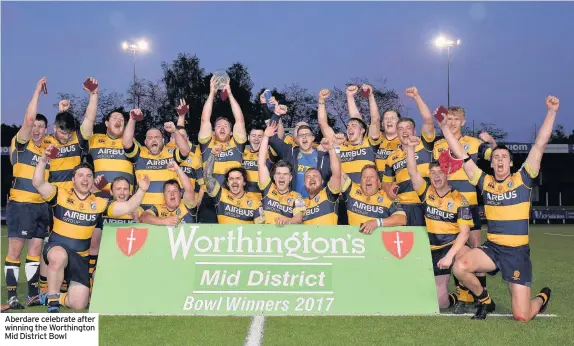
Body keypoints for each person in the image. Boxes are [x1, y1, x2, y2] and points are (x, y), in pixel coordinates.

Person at [442, 96, 559, 321]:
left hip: (517, 254)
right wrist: (446, 130)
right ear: (492, 163)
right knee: (460, 267)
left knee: (522, 316)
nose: (500, 161)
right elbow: (460, 154)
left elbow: (540, 144)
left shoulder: (523, 179)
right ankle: (485, 299)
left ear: (511, 163)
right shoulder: (485, 181)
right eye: (496, 158)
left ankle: (542, 298)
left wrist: (551, 112)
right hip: (493, 249)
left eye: (504, 157)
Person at [32, 146, 150, 312]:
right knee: (59, 255)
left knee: (79, 304)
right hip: (56, 249)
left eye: (89, 176)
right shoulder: (60, 195)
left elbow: (128, 206)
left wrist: (142, 190)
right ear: (73, 179)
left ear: (92, 179)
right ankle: (53, 305)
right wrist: (43, 160)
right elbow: (37, 182)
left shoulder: (99, 203)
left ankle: (52, 297)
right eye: (80, 175)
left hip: (80, 259)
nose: (85, 179)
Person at [432, 105, 497, 308]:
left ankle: (480, 296)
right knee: (455, 250)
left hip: (469, 205)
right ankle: (462, 295)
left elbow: (493, 155)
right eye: (448, 119)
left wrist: (491, 142)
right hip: (447, 209)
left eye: (455, 119)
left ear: (463, 122)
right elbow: (436, 175)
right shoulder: (438, 145)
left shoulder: (473, 143)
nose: (452, 122)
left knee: (475, 250)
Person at [405, 136, 473, 309]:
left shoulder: (459, 199)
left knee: (464, 256)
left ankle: (471, 295)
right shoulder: (426, 192)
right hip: (434, 251)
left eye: (439, 172)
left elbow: (465, 233)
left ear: (447, 173)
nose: (436, 176)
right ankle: (454, 298)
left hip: (453, 247)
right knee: (441, 304)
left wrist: (450, 255)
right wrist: (411, 148)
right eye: (432, 173)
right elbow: (412, 172)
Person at [4, 77, 50, 309]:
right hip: (20, 205)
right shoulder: (21, 143)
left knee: (35, 251)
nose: (37, 129)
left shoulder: (47, 150)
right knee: (15, 251)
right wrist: (36, 93)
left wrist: (63, 110)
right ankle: (12, 297)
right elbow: (30, 118)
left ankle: (32, 295)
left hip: (40, 207)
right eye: (35, 126)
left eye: (42, 126)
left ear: (46, 130)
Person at [382, 88, 436, 226]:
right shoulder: (391, 157)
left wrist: (417, 97)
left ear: (414, 131)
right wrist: (388, 188)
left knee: (430, 244)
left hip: (428, 202)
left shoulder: (424, 145)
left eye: (408, 128)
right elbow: (385, 182)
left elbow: (428, 120)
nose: (404, 132)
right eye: (400, 129)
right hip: (404, 206)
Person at [197, 78, 247, 223]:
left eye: (226, 126)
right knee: (207, 237)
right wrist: (212, 93)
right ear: (213, 131)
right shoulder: (207, 144)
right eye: (219, 126)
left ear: (231, 132)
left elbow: (240, 121)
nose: (222, 128)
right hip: (210, 198)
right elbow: (204, 120)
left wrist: (230, 94)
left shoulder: (237, 145)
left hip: (233, 197)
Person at [122, 110, 190, 209]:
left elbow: (185, 150)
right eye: (150, 138)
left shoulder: (171, 153)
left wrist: (175, 131)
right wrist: (132, 119)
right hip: (143, 209)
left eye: (157, 137)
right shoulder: (140, 153)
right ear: (145, 142)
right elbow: (126, 143)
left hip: (169, 209)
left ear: (163, 140)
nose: (154, 140)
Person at [88, 176, 143, 292]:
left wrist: (138, 222)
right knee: (97, 274)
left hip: (130, 263)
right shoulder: (102, 210)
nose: (122, 193)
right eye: (118, 189)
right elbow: (94, 246)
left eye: (125, 189)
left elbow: (144, 243)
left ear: (130, 191)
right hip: (106, 262)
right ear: (111, 191)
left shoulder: (138, 211)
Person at [318, 86, 381, 184]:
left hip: (366, 195)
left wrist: (370, 96)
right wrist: (321, 100)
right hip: (344, 196)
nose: (350, 128)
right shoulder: (340, 144)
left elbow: (375, 120)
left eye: (354, 126)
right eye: (348, 126)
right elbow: (323, 124)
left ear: (362, 130)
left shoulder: (370, 143)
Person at [258, 123, 305, 225]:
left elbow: (299, 217)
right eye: (278, 174)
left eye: (285, 174)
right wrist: (266, 137)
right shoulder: (268, 188)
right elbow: (261, 164)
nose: (281, 177)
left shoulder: (297, 197)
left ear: (290, 178)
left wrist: (288, 221)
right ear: (274, 177)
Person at [204, 145, 264, 224]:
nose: (234, 182)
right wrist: (212, 154)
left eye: (238, 178)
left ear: (244, 182)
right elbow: (207, 177)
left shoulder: (255, 201)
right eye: (231, 179)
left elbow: (261, 229)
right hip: (224, 236)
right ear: (228, 183)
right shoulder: (221, 195)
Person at [341, 165, 407, 232]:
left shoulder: (387, 196)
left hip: (376, 241)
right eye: (364, 177)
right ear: (360, 182)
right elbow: (337, 173)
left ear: (378, 182)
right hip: (354, 239)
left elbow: (402, 219)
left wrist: (376, 223)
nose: (368, 179)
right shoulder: (352, 190)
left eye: (371, 176)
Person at [88, 107, 137, 197]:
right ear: (107, 123)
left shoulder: (131, 142)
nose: (118, 121)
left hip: (124, 199)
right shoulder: (94, 139)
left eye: (121, 120)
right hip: (99, 197)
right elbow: (87, 124)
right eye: (114, 118)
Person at [139, 161, 198, 225]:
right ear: (164, 196)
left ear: (180, 194)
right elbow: (143, 218)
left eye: (175, 191)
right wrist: (165, 221)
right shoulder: (158, 208)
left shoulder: (187, 205)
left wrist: (178, 170)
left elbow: (189, 190)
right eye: (168, 191)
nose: (172, 194)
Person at [303, 137, 341, 225]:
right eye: (308, 176)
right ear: (304, 183)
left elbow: (336, 173)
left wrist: (331, 149)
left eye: (315, 176)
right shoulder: (300, 202)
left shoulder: (329, 195)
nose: (312, 178)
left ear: (322, 181)